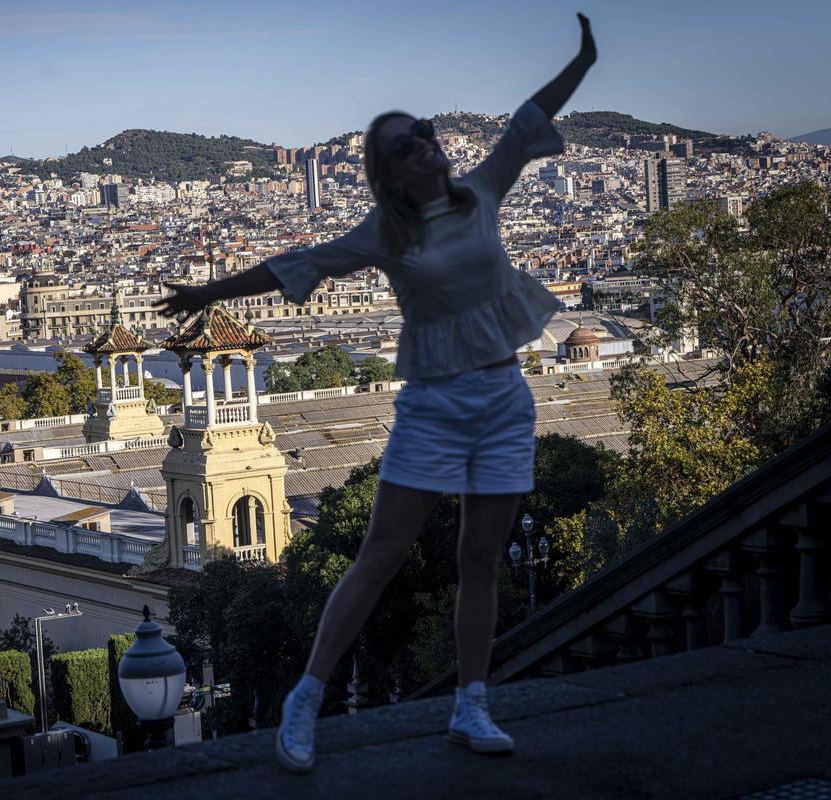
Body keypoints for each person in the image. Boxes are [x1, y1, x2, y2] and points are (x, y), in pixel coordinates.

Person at [158, 13, 597, 772]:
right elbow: (299, 263)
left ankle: (471, 701)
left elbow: (530, 122)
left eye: (427, 132)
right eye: (408, 143)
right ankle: (307, 697)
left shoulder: (481, 193)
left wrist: (583, 60)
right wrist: (208, 292)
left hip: (502, 398)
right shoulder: (383, 234)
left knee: (483, 559)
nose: (427, 144)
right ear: (389, 172)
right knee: (381, 553)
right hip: (432, 405)